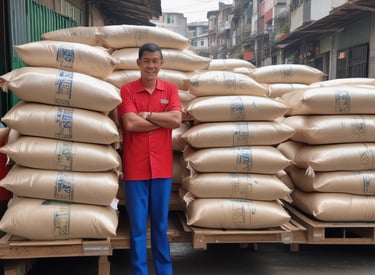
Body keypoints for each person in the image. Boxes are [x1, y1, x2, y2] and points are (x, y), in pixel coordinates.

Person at [117, 43, 182, 275]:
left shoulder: (170, 90)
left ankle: (164, 271)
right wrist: (160, 121)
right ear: (139, 63)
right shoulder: (127, 90)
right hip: (135, 168)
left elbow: (176, 120)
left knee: (160, 225)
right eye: (146, 61)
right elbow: (130, 123)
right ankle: (140, 271)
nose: (151, 66)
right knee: (137, 228)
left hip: (162, 169)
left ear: (161, 64)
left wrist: (150, 115)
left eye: (155, 61)